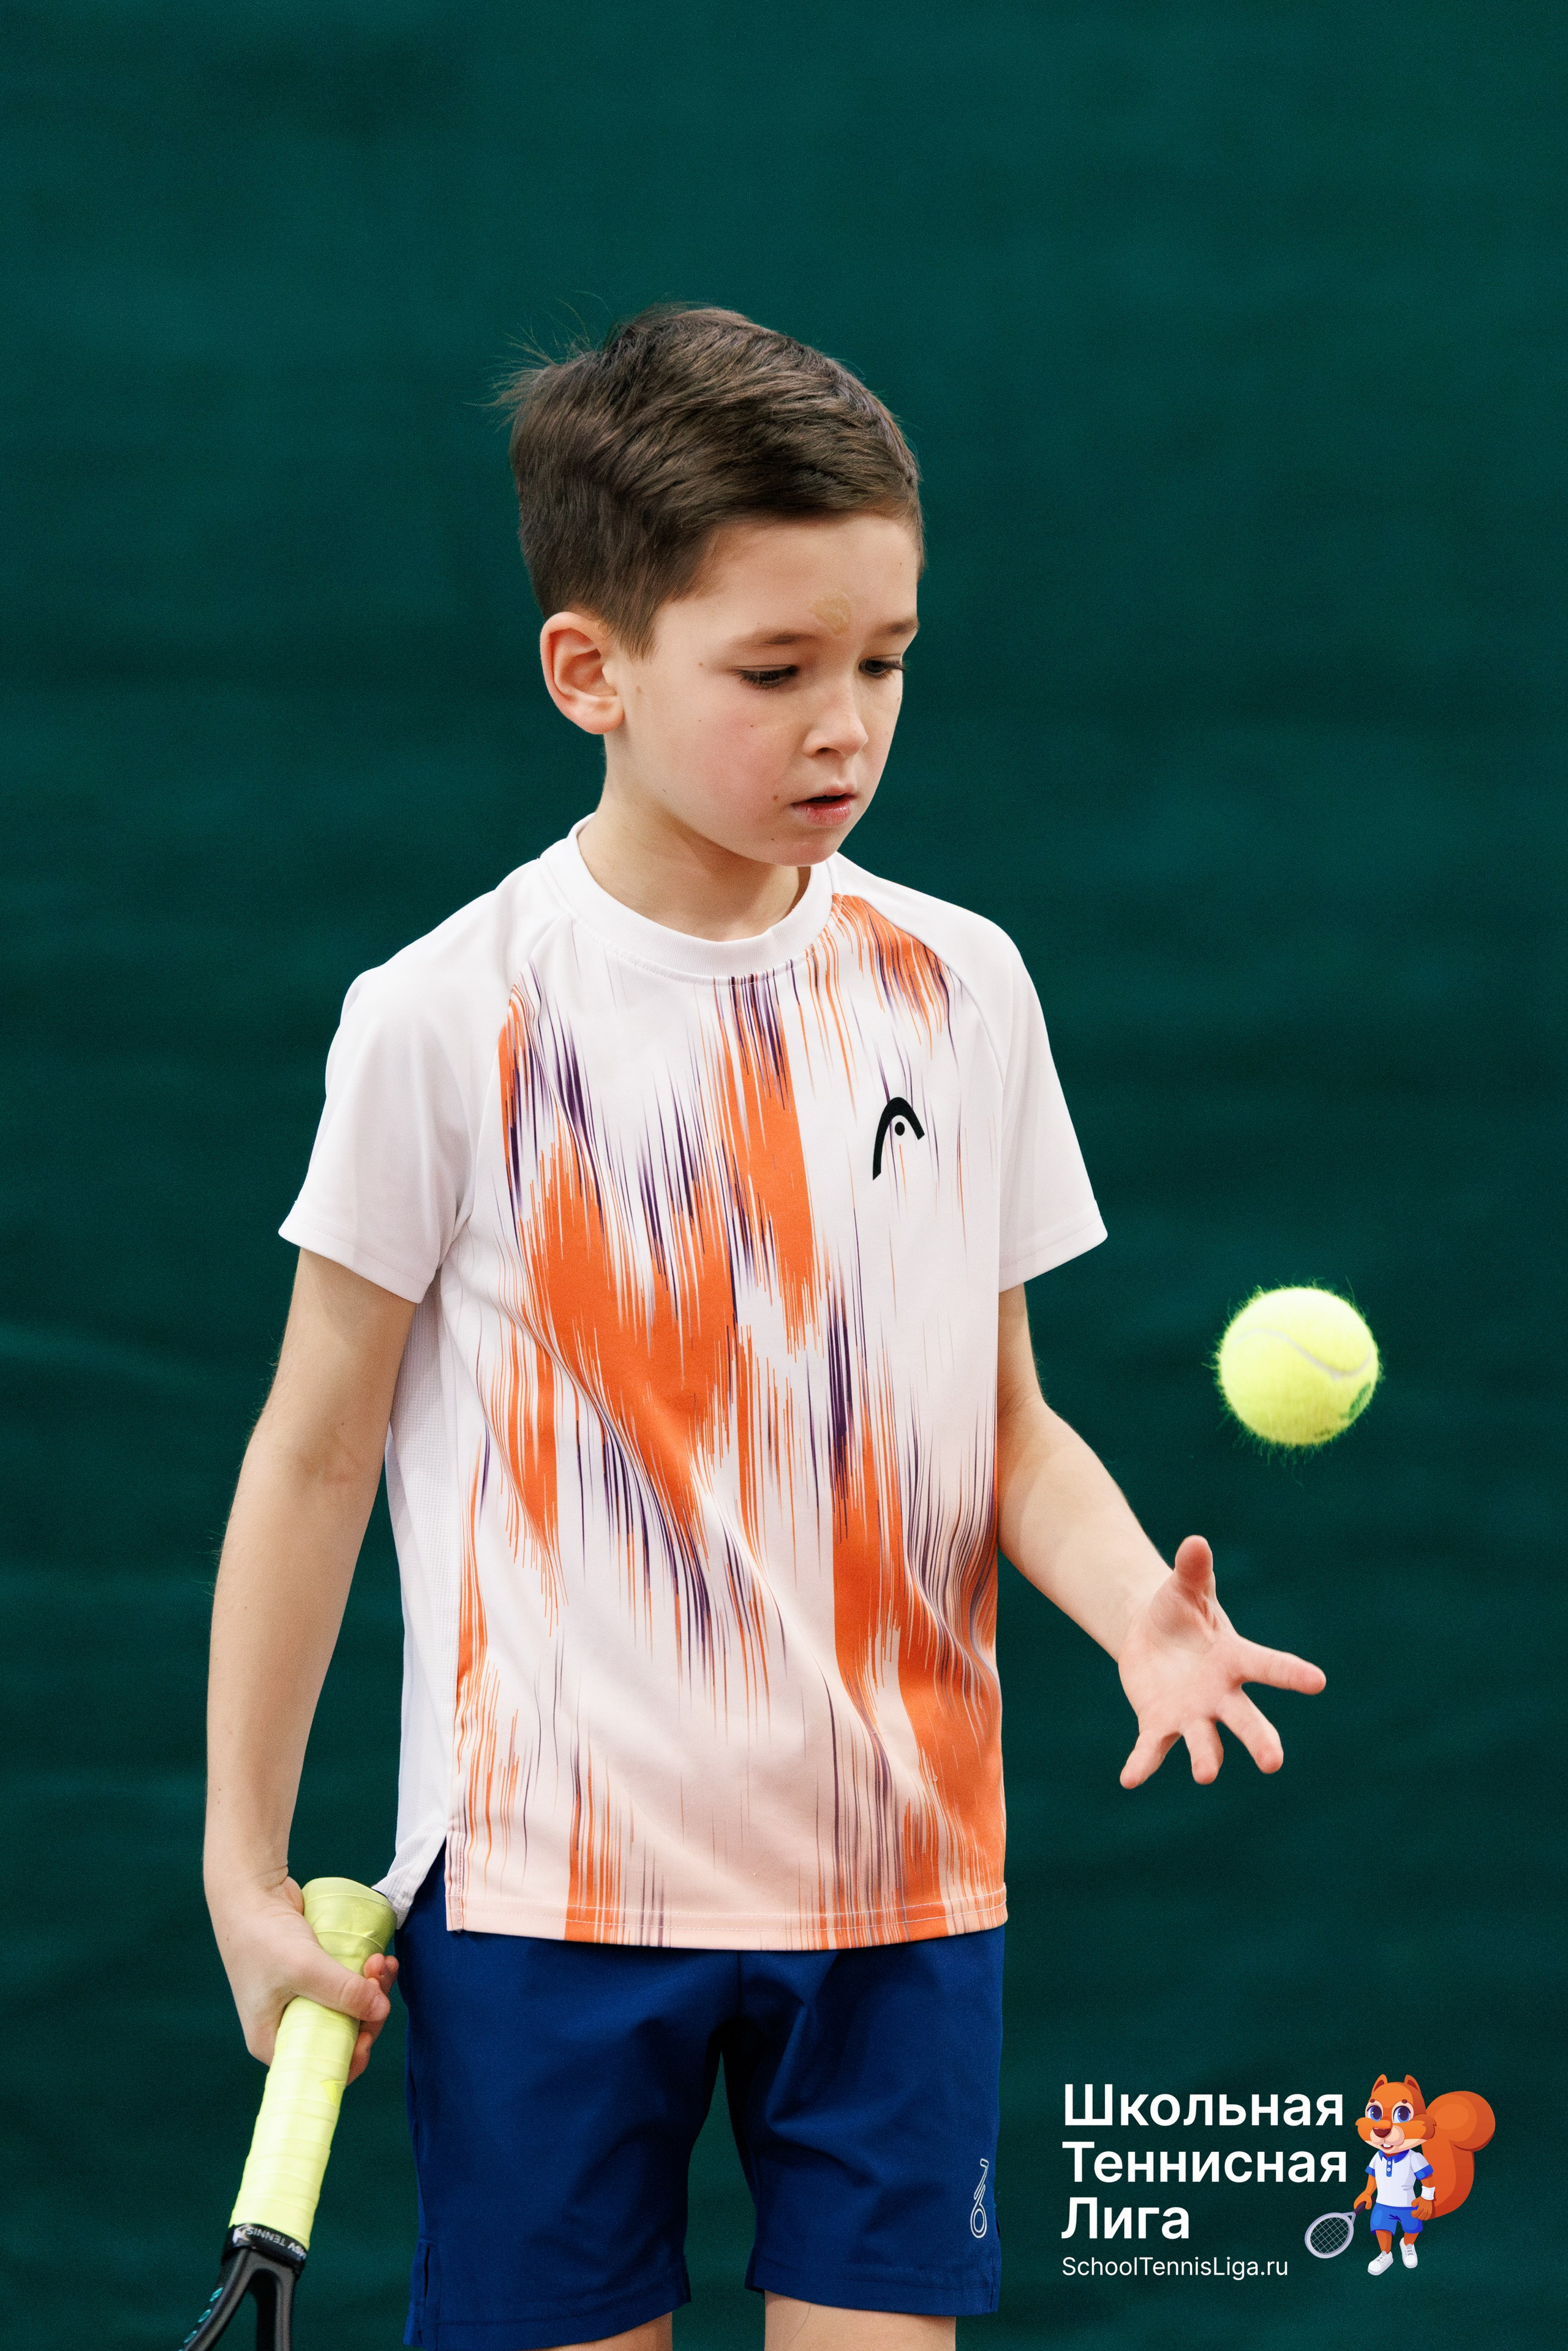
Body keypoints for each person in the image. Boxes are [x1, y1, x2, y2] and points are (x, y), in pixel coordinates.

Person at [203, 306, 1325, 2351]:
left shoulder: (963, 988)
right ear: (591, 673)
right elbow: (313, 1452)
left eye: (886, 661)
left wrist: (1126, 1609)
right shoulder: (442, 1018)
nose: (848, 727)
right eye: (777, 671)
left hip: (900, 1892)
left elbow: (1005, 1426)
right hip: (542, 1904)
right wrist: (241, 1859)